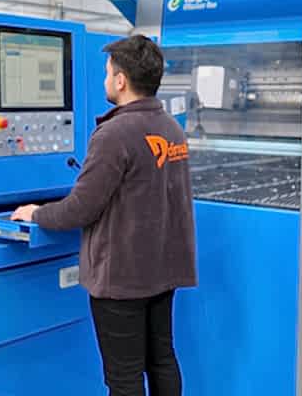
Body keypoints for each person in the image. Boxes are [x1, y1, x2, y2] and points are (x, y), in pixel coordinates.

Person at [11, 35, 197, 396]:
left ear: (121, 80)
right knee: (162, 359)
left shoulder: (114, 134)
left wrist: (36, 214)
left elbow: (80, 209)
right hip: (163, 270)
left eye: (107, 73)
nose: (104, 80)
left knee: (124, 378)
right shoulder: (171, 128)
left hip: (122, 278)